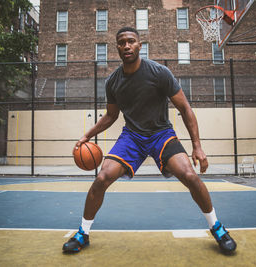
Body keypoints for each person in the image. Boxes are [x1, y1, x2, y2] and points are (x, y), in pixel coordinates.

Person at [62, 26, 237, 255]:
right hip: (132, 137)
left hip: (161, 134)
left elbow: (185, 108)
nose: (126, 45)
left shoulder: (159, 72)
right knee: (102, 178)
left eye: (131, 41)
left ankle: (217, 227)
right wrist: (87, 135)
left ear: (139, 45)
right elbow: (111, 116)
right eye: (122, 42)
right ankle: (82, 233)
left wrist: (197, 146)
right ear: (117, 47)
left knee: (189, 175)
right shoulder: (113, 82)